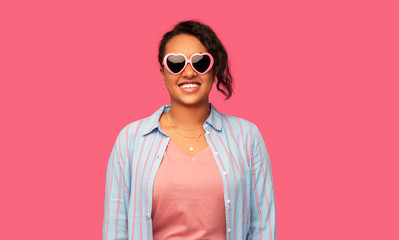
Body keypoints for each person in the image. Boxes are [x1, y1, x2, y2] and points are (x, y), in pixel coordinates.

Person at [103, 20, 276, 240]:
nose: (188, 72)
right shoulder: (131, 139)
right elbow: (116, 229)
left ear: (214, 72)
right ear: (163, 74)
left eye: (200, 62)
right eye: (176, 63)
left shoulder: (247, 137)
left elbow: (263, 226)